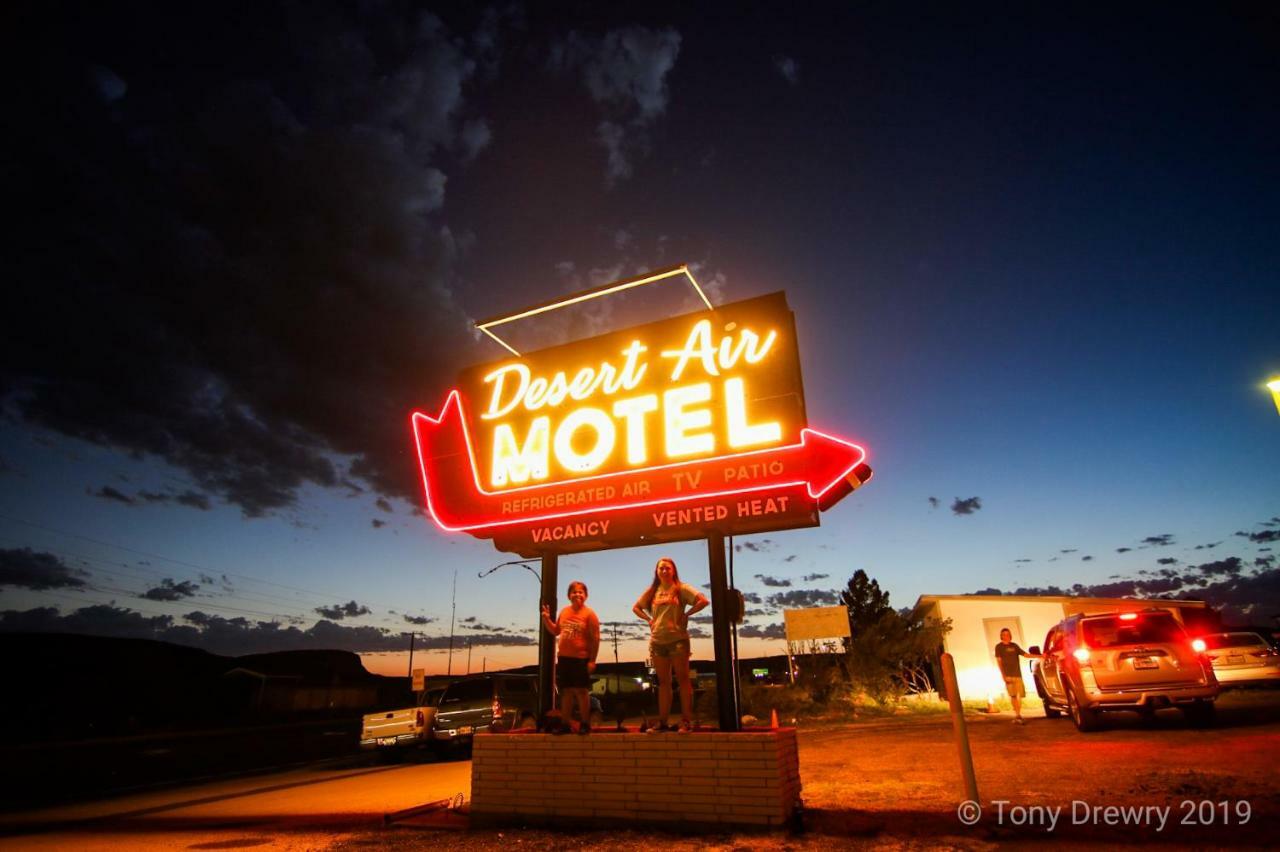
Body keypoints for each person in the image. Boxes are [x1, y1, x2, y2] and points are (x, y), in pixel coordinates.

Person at [632, 557, 709, 733]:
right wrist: (649, 620)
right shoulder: (652, 591)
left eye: (667, 568)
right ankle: (663, 722)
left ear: (673, 570)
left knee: (683, 679)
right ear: (656, 572)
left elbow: (703, 600)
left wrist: (687, 614)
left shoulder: (681, 588)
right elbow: (636, 607)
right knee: (663, 682)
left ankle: (686, 721)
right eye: (661, 568)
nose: (664, 571)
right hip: (658, 641)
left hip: (677, 639)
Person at [541, 580, 600, 734]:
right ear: (569, 595)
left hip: (581, 659)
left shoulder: (590, 614)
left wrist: (592, 660)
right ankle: (565, 724)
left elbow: (595, 639)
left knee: (581, 691)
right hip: (564, 659)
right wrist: (546, 619)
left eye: (581, 592)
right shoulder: (564, 612)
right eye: (574, 592)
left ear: (585, 596)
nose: (577, 594)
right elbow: (555, 631)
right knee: (566, 692)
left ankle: (585, 724)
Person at [994, 628, 1040, 724]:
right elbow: (999, 661)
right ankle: (1017, 714)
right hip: (1008, 675)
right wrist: (1003, 675)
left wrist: (1039, 656)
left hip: (1017, 674)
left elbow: (1025, 655)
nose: (1006, 636)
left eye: (1007, 634)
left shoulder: (1014, 646)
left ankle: (1018, 714)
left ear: (1010, 635)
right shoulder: (999, 647)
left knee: (1020, 695)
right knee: (1013, 695)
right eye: (1004, 634)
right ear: (1001, 636)